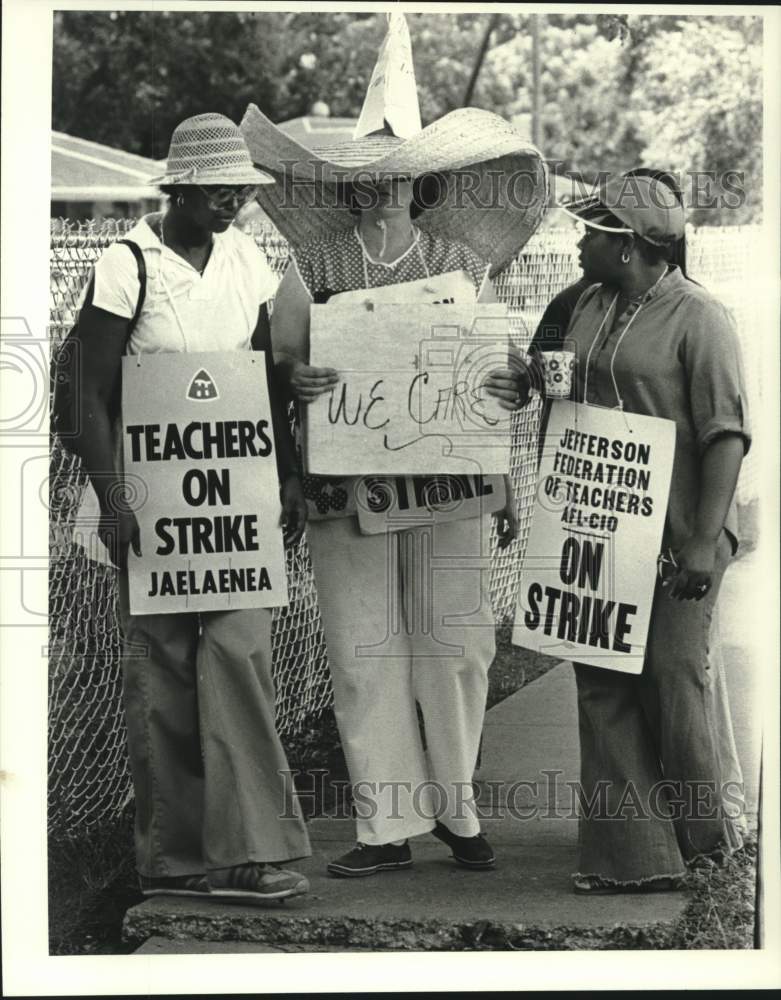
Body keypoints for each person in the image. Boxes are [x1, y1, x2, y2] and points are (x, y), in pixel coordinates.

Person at [241, 13, 548, 877]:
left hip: (448, 484)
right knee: (360, 646)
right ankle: (385, 825)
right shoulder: (313, 267)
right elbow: (280, 364)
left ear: (426, 185)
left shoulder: (462, 264)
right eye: (369, 180)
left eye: (400, 178)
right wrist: (293, 388)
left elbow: (498, 378)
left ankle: (457, 809)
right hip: (348, 486)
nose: (383, 191)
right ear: (348, 189)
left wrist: (508, 433)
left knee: (456, 644)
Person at [73, 113, 311, 902]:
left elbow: (266, 384)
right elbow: (86, 394)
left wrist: (284, 473)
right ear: (180, 186)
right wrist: (114, 499)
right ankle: (172, 859)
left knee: (240, 655)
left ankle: (248, 848)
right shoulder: (126, 263)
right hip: (151, 497)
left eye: (241, 190)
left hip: (231, 497)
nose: (234, 202)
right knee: (162, 669)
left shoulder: (248, 261)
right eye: (219, 189)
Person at [491, 174, 751, 892]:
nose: (577, 240)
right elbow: (566, 384)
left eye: (591, 231)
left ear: (629, 245)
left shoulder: (700, 317)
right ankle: (631, 857)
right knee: (601, 680)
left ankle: (703, 843)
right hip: (598, 526)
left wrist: (703, 538)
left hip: (679, 529)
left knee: (670, 678)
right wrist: (528, 383)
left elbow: (726, 434)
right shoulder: (586, 303)